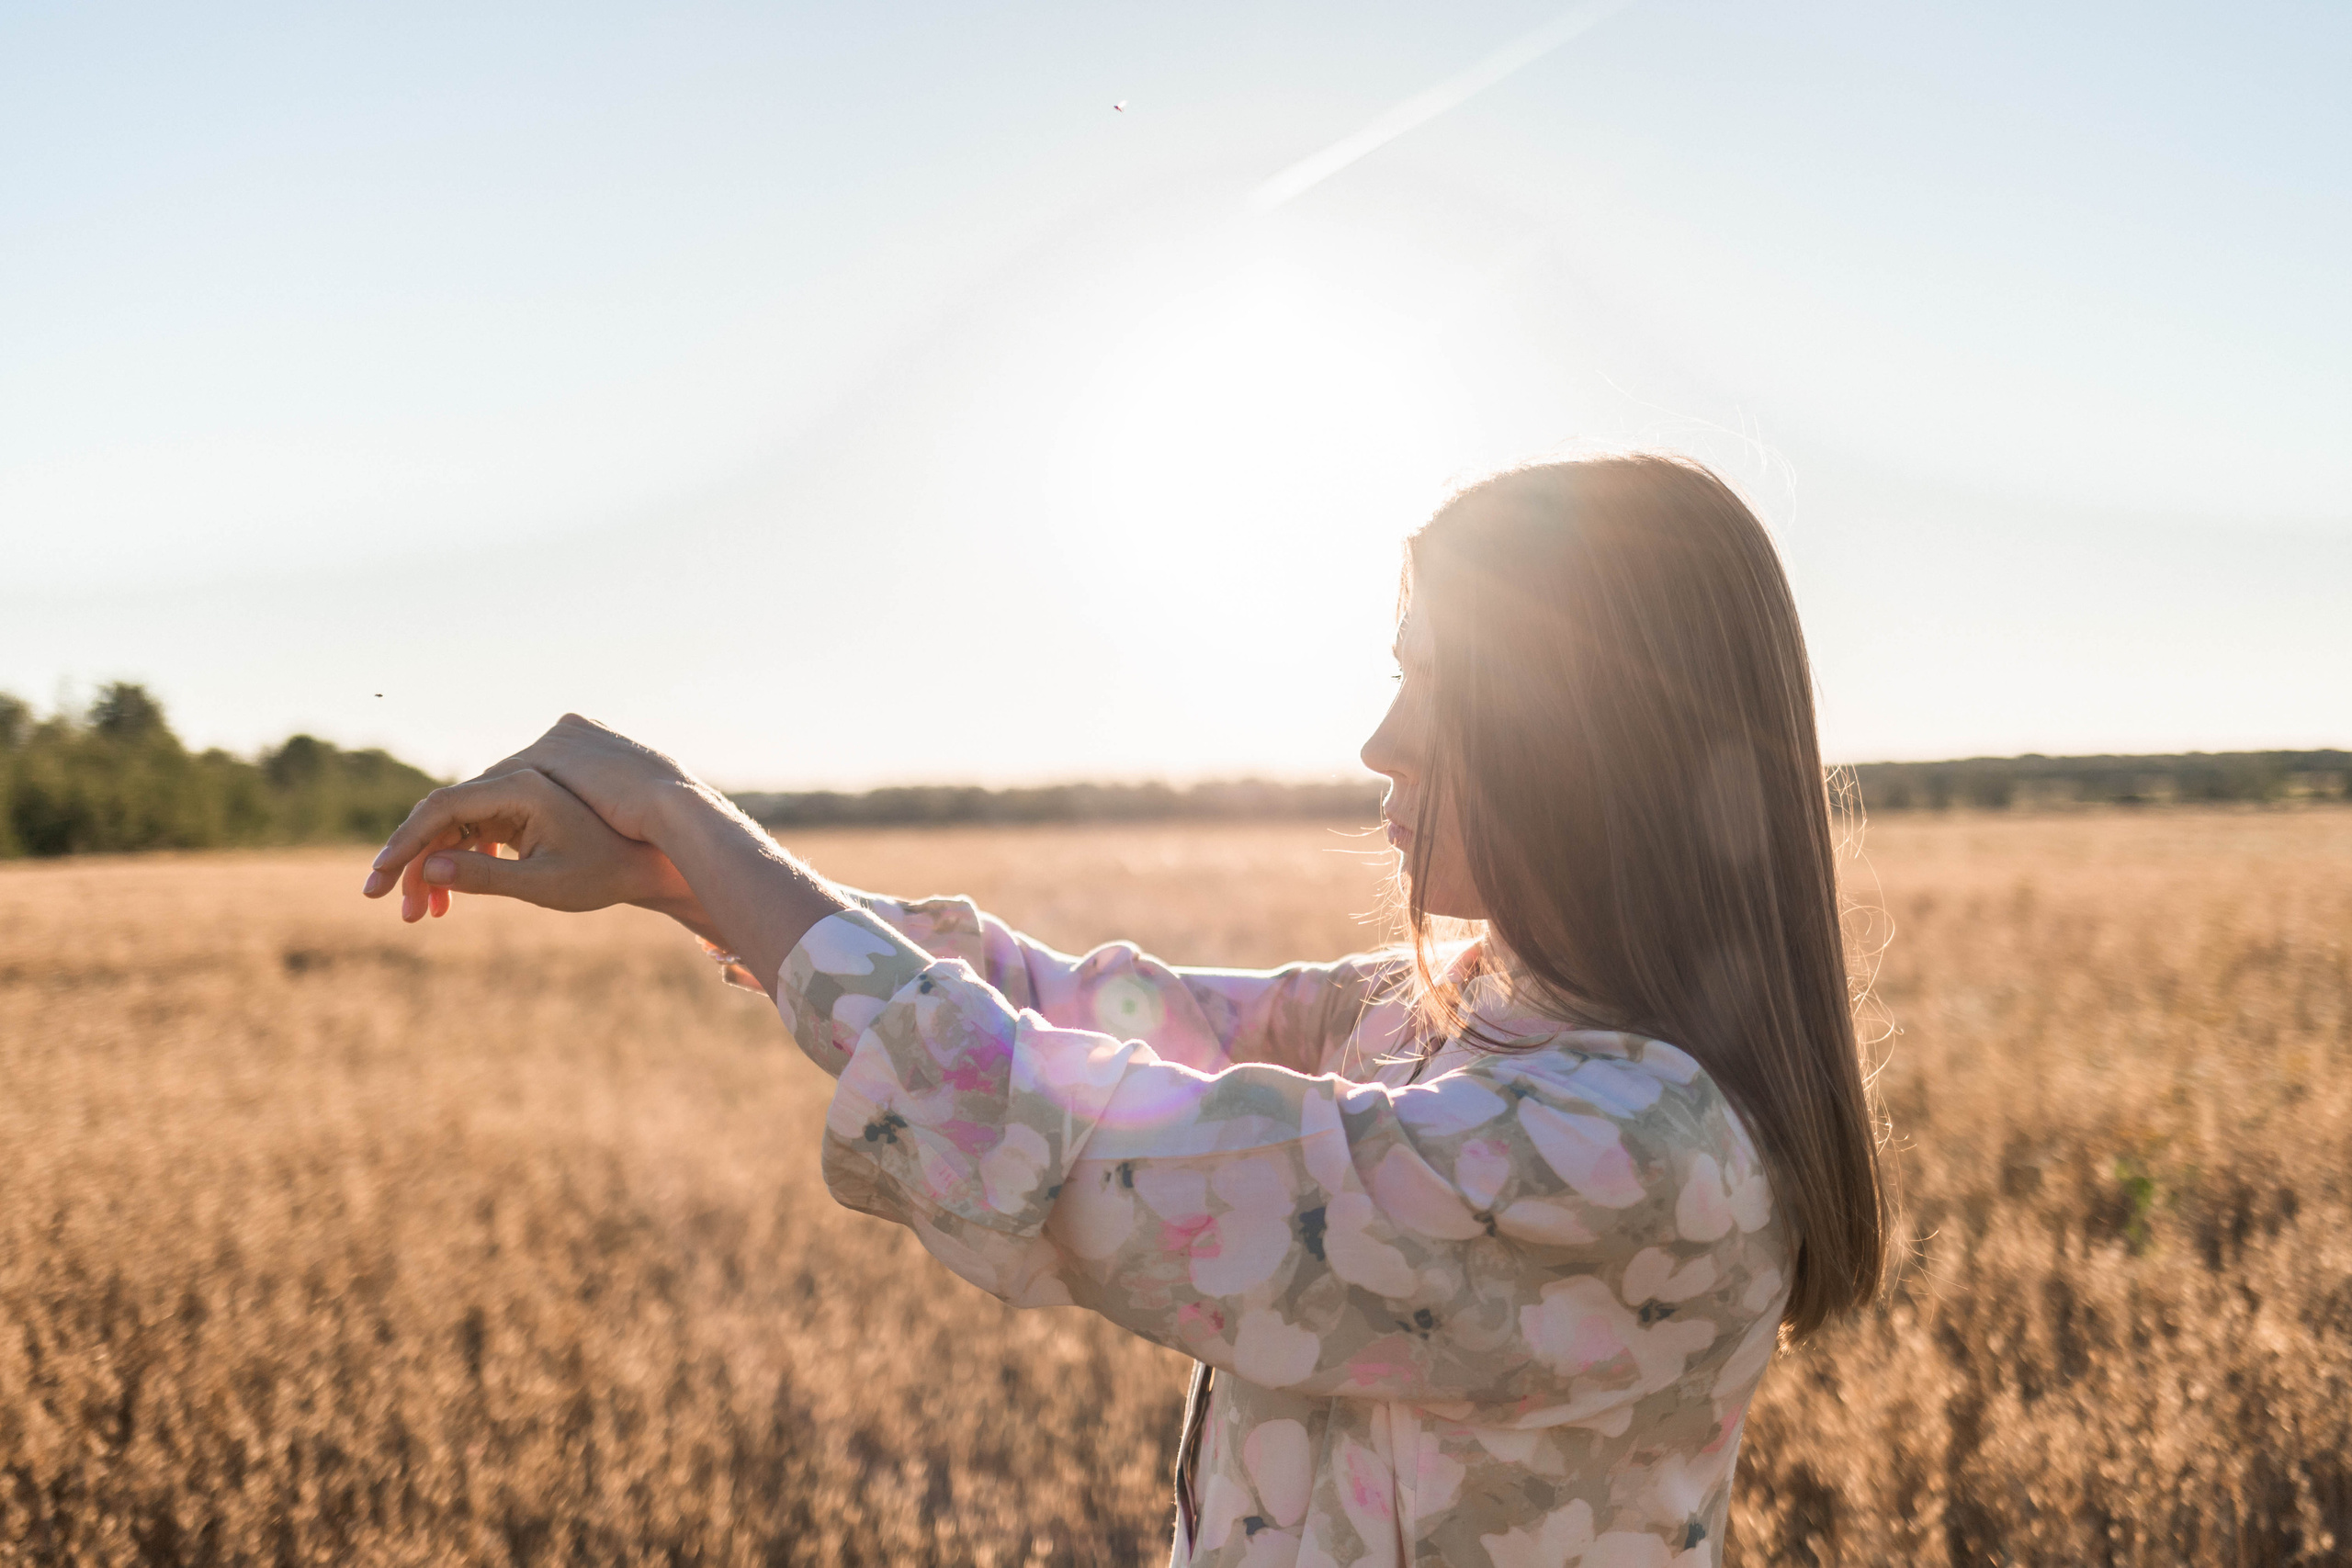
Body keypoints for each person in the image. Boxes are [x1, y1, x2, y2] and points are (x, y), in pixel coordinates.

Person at [363, 454, 1889, 1568]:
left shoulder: (1629, 1154)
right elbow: (1096, 1014)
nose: (1382, 737)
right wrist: (674, 876)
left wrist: (678, 810)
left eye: (1442, 689)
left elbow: (1067, 1136)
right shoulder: (1466, 1019)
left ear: (1586, 732)